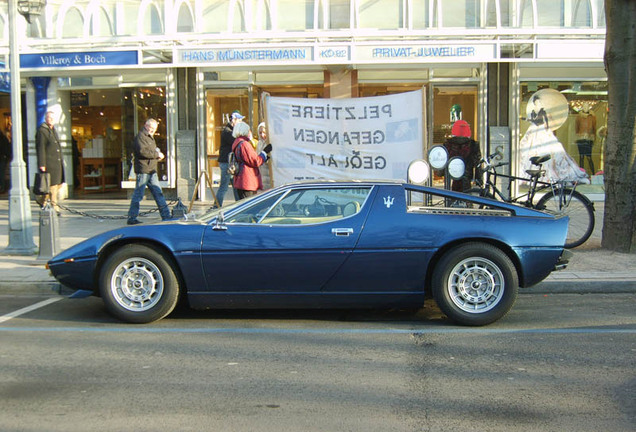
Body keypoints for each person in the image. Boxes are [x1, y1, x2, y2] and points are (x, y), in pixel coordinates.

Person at [126, 118, 171, 225]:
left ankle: (166, 215)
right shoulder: (141, 137)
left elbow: (148, 151)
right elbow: (143, 152)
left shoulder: (150, 137)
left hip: (151, 169)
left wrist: (156, 154)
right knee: (139, 194)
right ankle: (132, 217)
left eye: (154, 129)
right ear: (146, 126)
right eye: (151, 128)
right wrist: (157, 155)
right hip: (144, 169)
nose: (153, 130)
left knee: (158, 192)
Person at [231, 122, 272, 200]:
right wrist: (264, 153)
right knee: (248, 206)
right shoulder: (244, 144)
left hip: (240, 179)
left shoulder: (237, 143)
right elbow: (255, 161)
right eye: (248, 130)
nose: (249, 132)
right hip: (247, 180)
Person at [35, 110, 65, 214]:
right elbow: (41, 148)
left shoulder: (53, 130)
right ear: (46, 119)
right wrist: (42, 164)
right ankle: (54, 206)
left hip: (57, 163)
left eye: (52, 118)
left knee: (57, 184)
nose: (51, 120)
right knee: (52, 186)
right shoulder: (42, 131)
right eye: (49, 118)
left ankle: (42, 200)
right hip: (49, 163)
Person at [443, 120, 481, 192]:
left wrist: (441, 173)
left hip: (451, 175)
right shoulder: (473, 144)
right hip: (467, 176)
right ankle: (467, 202)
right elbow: (477, 162)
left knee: (451, 197)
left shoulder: (448, 144)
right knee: (467, 196)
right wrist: (478, 179)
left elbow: (443, 162)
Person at [217, 110, 244, 206]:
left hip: (231, 163)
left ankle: (239, 205)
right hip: (226, 163)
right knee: (224, 187)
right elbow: (235, 142)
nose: (240, 122)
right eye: (239, 120)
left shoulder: (230, 131)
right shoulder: (227, 132)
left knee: (236, 186)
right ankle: (217, 206)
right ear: (234, 120)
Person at [575, 103, 596, 174]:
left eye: (587, 106)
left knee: (589, 157)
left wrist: (593, 137)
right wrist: (577, 135)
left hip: (588, 139)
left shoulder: (592, 117)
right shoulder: (579, 116)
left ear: (589, 107)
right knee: (581, 157)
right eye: (584, 106)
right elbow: (576, 128)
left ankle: (593, 174)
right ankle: (581, 174)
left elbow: (594, 128)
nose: (585, 108)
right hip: (581, 139)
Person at [255, 122, 272, 189]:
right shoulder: (259, 143)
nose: (262, 135)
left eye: (264, 132)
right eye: (260, 132)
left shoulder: (271, 142)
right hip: (261, 175)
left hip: (269, 176)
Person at [0, 129, 11, 193]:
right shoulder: (4, 138)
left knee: (2, 172)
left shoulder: (2, 139)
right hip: (3, 157)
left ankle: (2, 187)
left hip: (2, 157)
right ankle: (3, 187)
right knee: (2, 172)